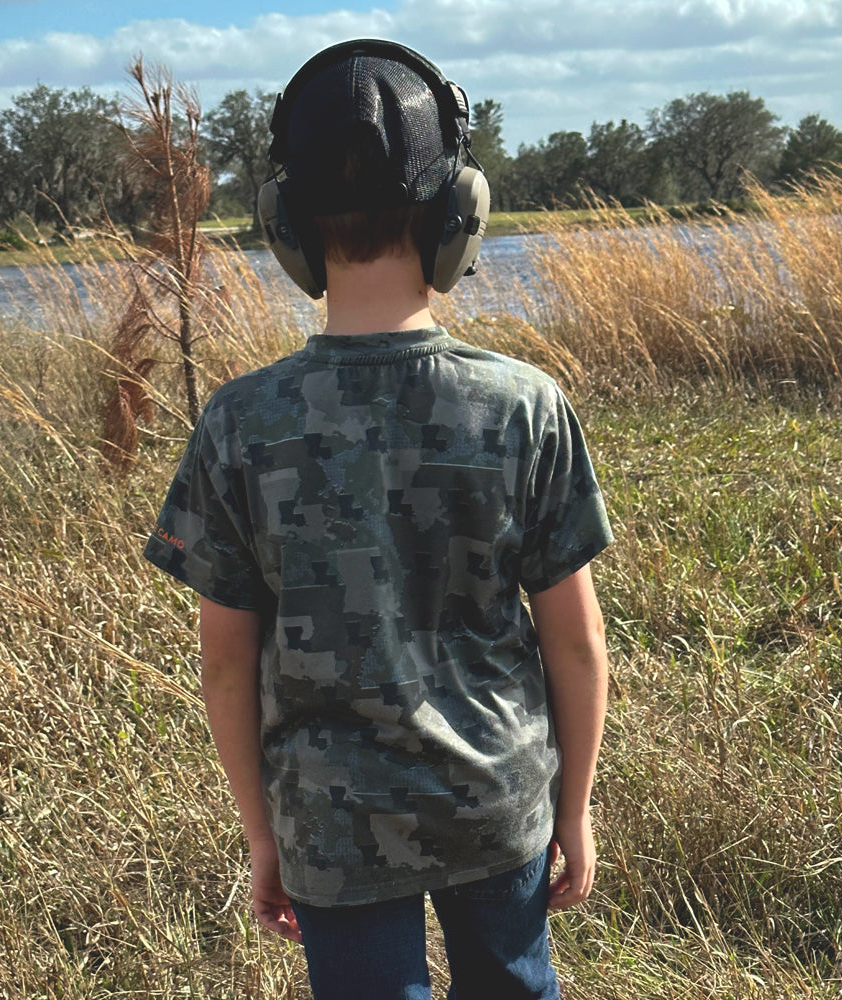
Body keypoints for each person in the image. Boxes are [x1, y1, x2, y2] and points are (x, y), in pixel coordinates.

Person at [143, 38, 613, 1000]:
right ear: (459, 218)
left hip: (330, 828)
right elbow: (574, 646)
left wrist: (262, 834)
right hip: (496, 803)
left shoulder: (239, 421)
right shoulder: (525, 405)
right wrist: (576, 808)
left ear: (289, 229)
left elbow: (227, 658)